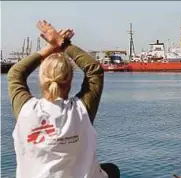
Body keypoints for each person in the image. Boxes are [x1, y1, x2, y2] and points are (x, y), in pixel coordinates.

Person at [8, 20, 120, 178]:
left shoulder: (25, 110)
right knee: (112, 170)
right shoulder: (81, 111)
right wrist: (62, 42)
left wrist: (51, 47)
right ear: (70, 79)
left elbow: (15, 73)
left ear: (41, 80)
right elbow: (94, 70)